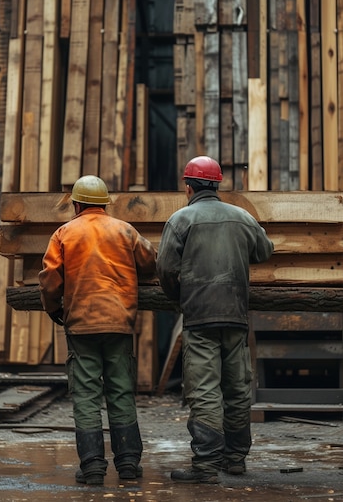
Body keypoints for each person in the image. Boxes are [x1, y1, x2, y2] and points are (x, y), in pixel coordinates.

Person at [156, 156, 274, 484]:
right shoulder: (242, 218)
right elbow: (265, 251)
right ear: (218, 185)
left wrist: (177, 294)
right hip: (236, 314)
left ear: (189, 186)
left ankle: (205, 466)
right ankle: (235, 459)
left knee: (205, 390)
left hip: (199, 317)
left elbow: (165, 267)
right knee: (237, 388)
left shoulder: (180, 220)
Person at [39, 175, 157, 486]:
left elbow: (51, 279)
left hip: (81, 325)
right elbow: (149, 261)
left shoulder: (64, 233)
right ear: (104, 204)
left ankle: (92, 466)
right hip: (118, 323)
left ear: (76, 204)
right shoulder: (124, 229)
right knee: (120, 390)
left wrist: (54, 309)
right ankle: (129, 463)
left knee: (87, 395)